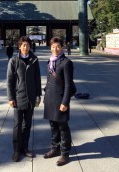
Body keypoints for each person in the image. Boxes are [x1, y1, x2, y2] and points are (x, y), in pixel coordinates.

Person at [6, 36, 42, 162]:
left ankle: (25, 148)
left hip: (31, 97)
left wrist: (38, 95)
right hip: (18, 96)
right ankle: (16, 150)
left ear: (30, 46)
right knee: (17, 124)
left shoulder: (34, 59)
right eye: (23, 45)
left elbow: (37, 78)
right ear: (19, 46)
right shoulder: (14, 61)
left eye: (27, 45)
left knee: (27, 124)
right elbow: (10, 81)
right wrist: (11, 97)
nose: (25, 47)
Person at [43, 37, 74, 166]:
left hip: (60, 99)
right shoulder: (49, 61)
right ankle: (55, 148)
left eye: (57, 47)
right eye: (53, 46)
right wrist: (44, 97)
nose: (55, 49)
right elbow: (49, 81)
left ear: (62, 47)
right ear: (50, 47)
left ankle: (65, 153)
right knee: (53, 125)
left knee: (62, 126)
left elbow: (68, 85)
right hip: (50, 98)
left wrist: (65, 102)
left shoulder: (66, 62)